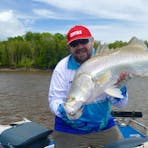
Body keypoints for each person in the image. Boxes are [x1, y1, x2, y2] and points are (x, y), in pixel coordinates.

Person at [48, 25, 128, 148]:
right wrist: (64, 110)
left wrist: (120, 86)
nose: (80, 47)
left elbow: (120, 104)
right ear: (70, 47)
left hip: (102, 125)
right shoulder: (62, 68)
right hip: (68, 128)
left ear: (92, 41)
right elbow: (54, 100)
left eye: (83, 41)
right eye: (74, 44)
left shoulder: (110, 63)